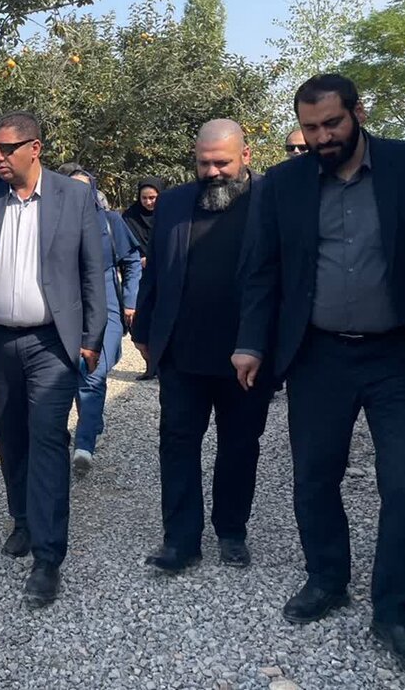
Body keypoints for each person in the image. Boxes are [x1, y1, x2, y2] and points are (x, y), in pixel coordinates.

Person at [234, 74, 405, 670]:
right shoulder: (282, 184)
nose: (321, 137)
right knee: (314, 477)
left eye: (332, 123)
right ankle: (327, 578)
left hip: (398, 356)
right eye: (310, 128)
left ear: (359, 113)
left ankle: (395, 612)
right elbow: (261, 272)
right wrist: (251, 344)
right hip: (318, 357)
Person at [0, 113, 106, 608]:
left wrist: (92, 337)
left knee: (48, 439)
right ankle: (23, 520)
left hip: (52, 342)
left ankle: (48, 558)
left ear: (34, 148)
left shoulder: (72, 196)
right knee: (10, 434)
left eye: (6, 148)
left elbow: (93, 270)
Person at [131, 121, 275, 572]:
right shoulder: (174, 202)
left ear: (245, 156)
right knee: (177, 445)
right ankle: (180, 540)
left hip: (247, 355)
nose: (212, 172)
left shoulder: (272, 199)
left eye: (222, 162)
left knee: (239, 446)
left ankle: (232, 531)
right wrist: (143, 331)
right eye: (203, 162)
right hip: (183, 353)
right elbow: (155, 273)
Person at [56, 164, 141, 473]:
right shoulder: (52, 221)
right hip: (65, 303)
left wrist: (131, 301)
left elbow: (132, 261)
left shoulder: (110, 221)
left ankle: (84, 445)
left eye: (84, 188)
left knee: (95, 370)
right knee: (71, 371)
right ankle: (89, 423)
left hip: (106, 302)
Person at [123, 176, 165, 380]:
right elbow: (125, 245)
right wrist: (137, 258)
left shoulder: (169, 214)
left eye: (153, 197)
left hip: (164, 276)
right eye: (144, 198)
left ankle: (163, 366)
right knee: (138, 325)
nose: (149, 202)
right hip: (139, 278)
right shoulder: (130, 217)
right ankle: (149, 366)